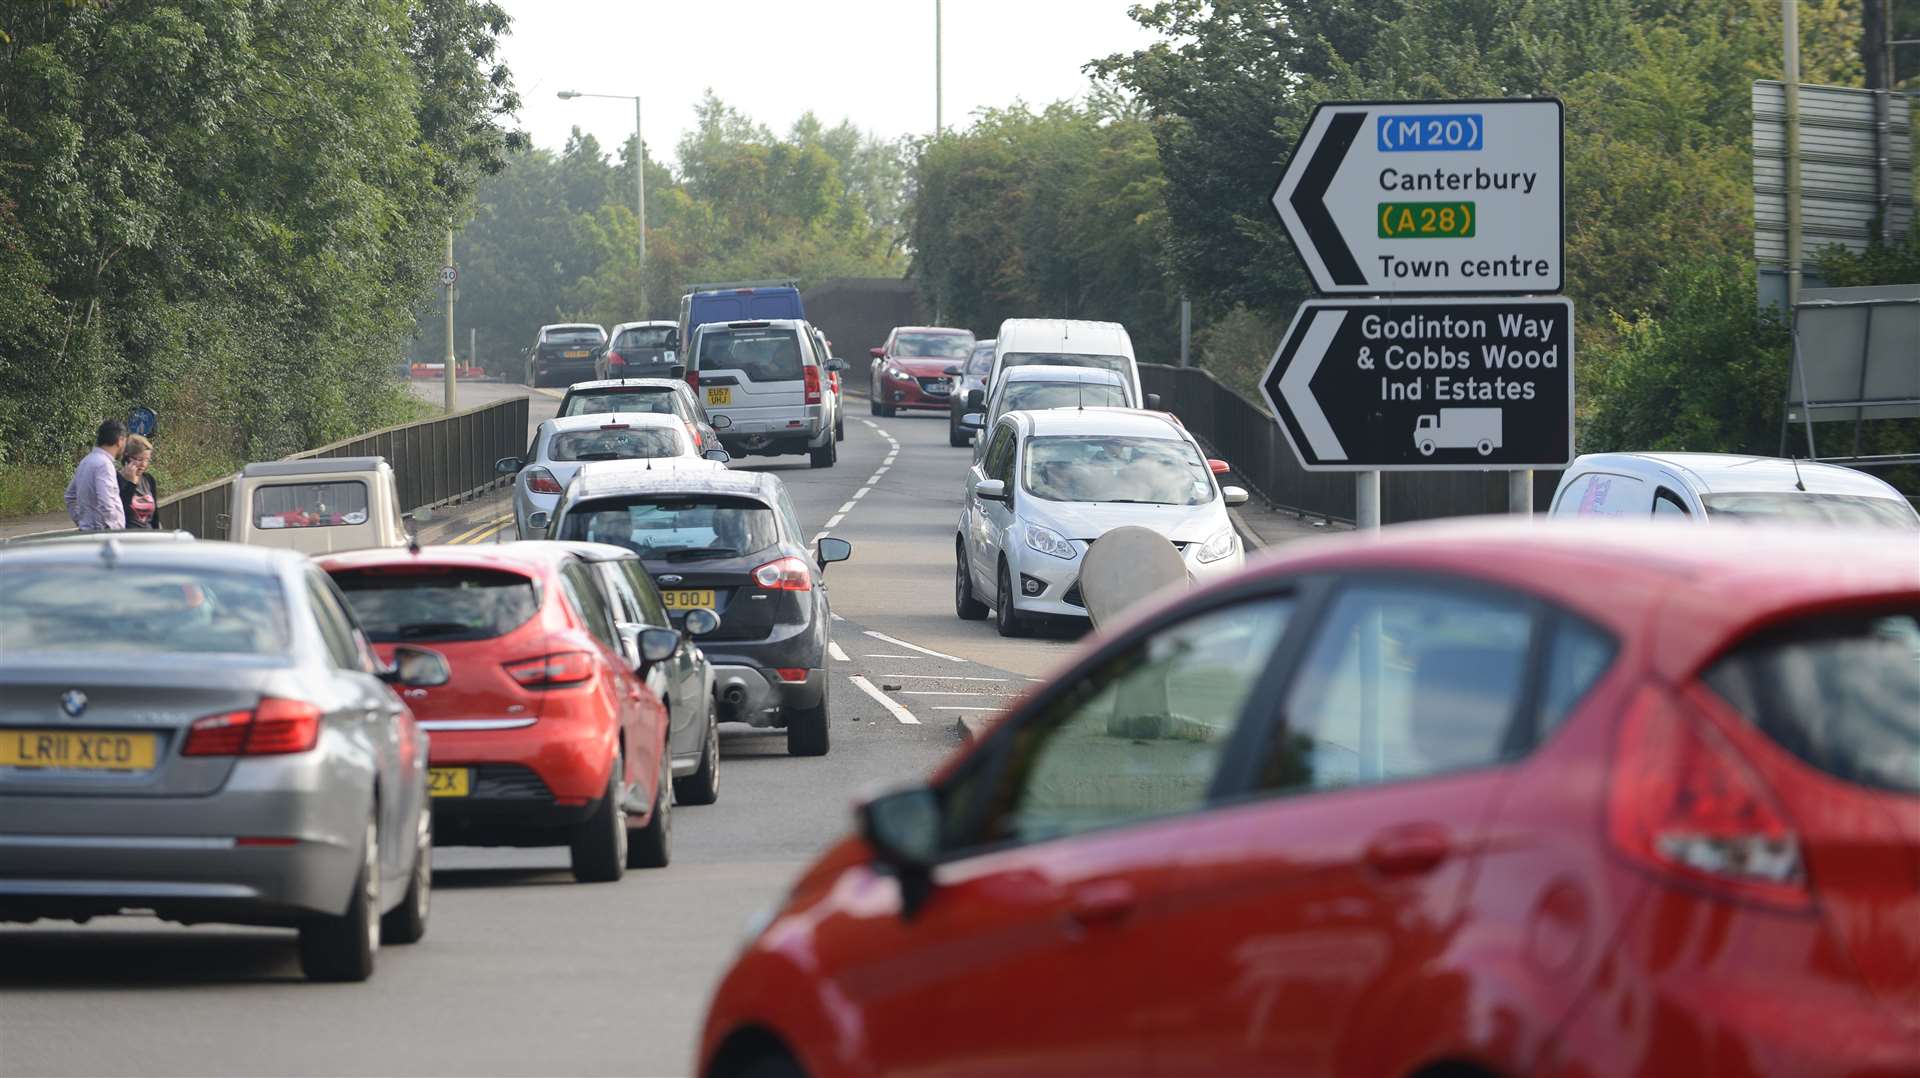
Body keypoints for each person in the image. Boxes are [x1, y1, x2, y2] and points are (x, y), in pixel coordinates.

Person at [64, 420, 127, 531]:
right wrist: (115, 529)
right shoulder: (104, 465)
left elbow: (69, 496)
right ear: (119, 441)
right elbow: (106, 502)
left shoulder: (86, 461)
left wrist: (82, 522)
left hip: (88, 531)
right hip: (104, 535)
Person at [117, 434, 159, 530]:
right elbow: (120, 511)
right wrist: (131, 484)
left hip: (150, 537)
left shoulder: (148, 479)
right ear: (127, 458)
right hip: (128, 537)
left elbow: (155, 516)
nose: (143, 464)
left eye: (147, 460)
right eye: (139, 459)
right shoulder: (116, 479)